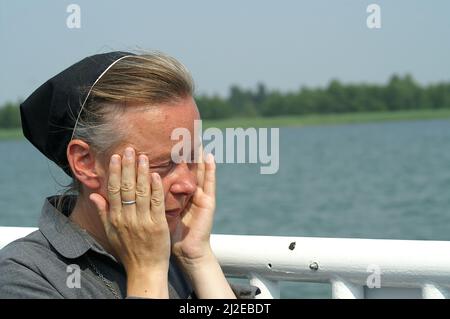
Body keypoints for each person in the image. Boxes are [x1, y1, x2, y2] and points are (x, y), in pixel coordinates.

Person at [0, 51, 259, 299]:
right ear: (85, 163)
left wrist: (198, 258)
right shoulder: (26, 275)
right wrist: (147, 272)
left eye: (192, 158)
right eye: (162, 165)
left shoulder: (180, 256)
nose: (189, 184)